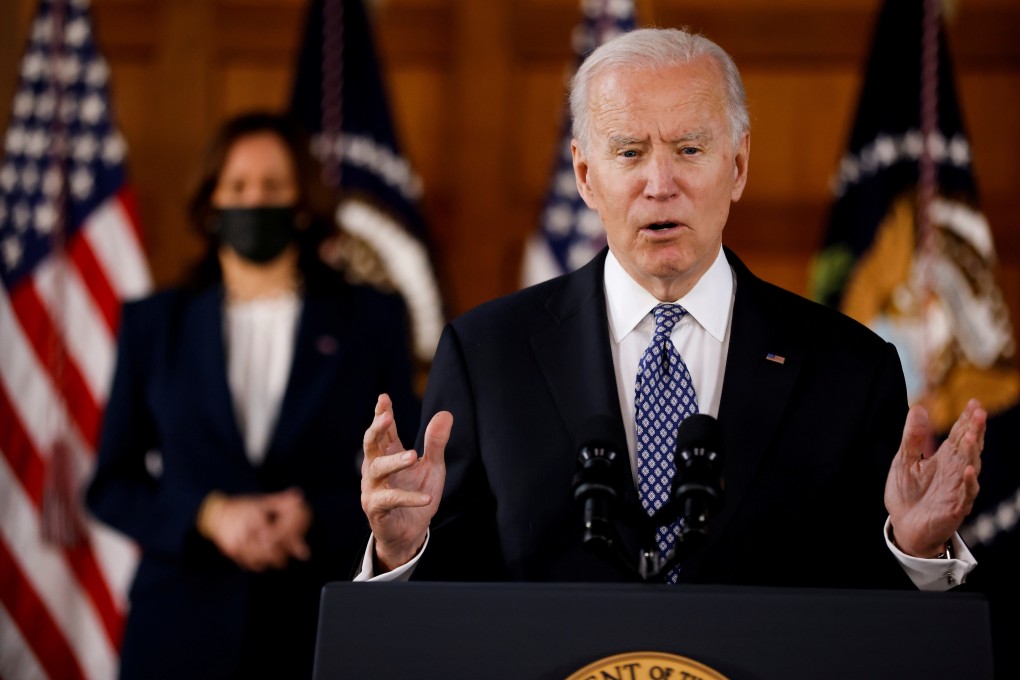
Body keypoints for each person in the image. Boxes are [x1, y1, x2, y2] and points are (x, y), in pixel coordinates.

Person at [358, 28, 985, 591]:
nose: (661, 183)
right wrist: (404, 549)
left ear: (737, 166)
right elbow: (453, 602)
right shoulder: (486, 355)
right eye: (629, 152)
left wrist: (914, 550)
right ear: (584, 175)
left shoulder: (849, 365)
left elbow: (869, 618)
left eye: (688, 150)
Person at [86, 111, 420, 679]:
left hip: (317, 624)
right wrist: (211, 517)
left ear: (301, 203)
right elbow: (112, 486)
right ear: (211, 203)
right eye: (237, 187)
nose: (253, 200)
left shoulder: (373, 319)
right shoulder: (154, 324)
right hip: (177, 630)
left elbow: (404, 474)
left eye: (271, 186)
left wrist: (312, 514)